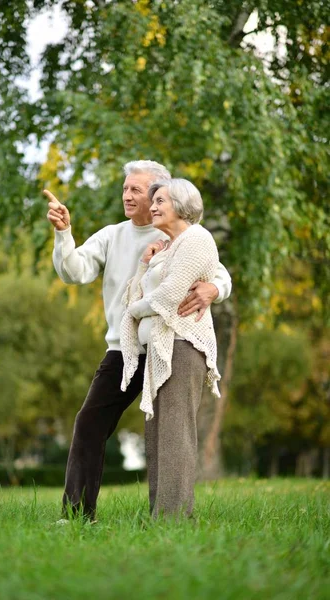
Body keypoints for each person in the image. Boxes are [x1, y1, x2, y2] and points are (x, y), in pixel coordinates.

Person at [44, 160, 232, 521]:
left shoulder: (181, 233)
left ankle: (168, 516)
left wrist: (214, 288)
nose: (127, 196)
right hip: (123, 349)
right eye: (126, 188)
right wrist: (64, 234)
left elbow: (218, 275)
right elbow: (73, 271)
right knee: (89, 424)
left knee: (166, 434)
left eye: (137, 190)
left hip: (168, 345)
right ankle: (77, 515)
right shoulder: (112, 235)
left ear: (160, 195)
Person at [120, 178, 221, 519]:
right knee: (158, 436)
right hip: (161, 348)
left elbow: (168, 295)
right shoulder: (167, 244)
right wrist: (146, 264)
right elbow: (139, 289)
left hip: (182, 345)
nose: (153, 206)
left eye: (161, 200)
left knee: (176, 433)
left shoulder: (196, 239)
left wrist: (133, 313)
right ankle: (160, 516)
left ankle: (175, 518)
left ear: (181, 204)